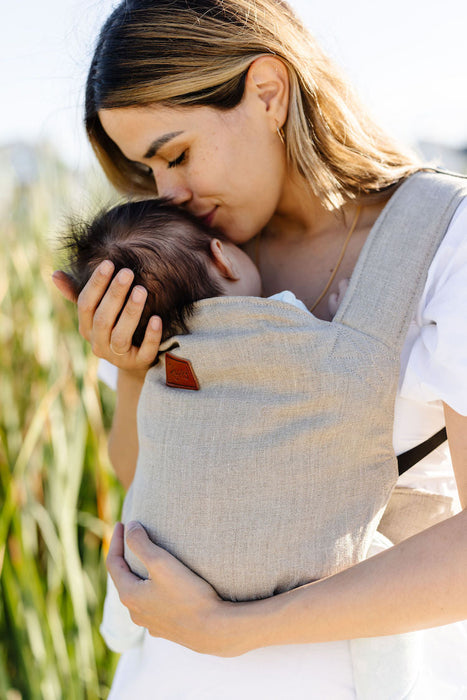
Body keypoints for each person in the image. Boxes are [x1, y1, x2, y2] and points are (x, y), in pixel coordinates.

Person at [52, 0, 467, 697]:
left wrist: (238, 626)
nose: (169, 192)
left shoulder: (443, 242)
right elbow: (145, 477)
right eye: (146, 171)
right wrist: (132, 371)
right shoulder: (185, 257)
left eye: (175, 153)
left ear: (268, 93)